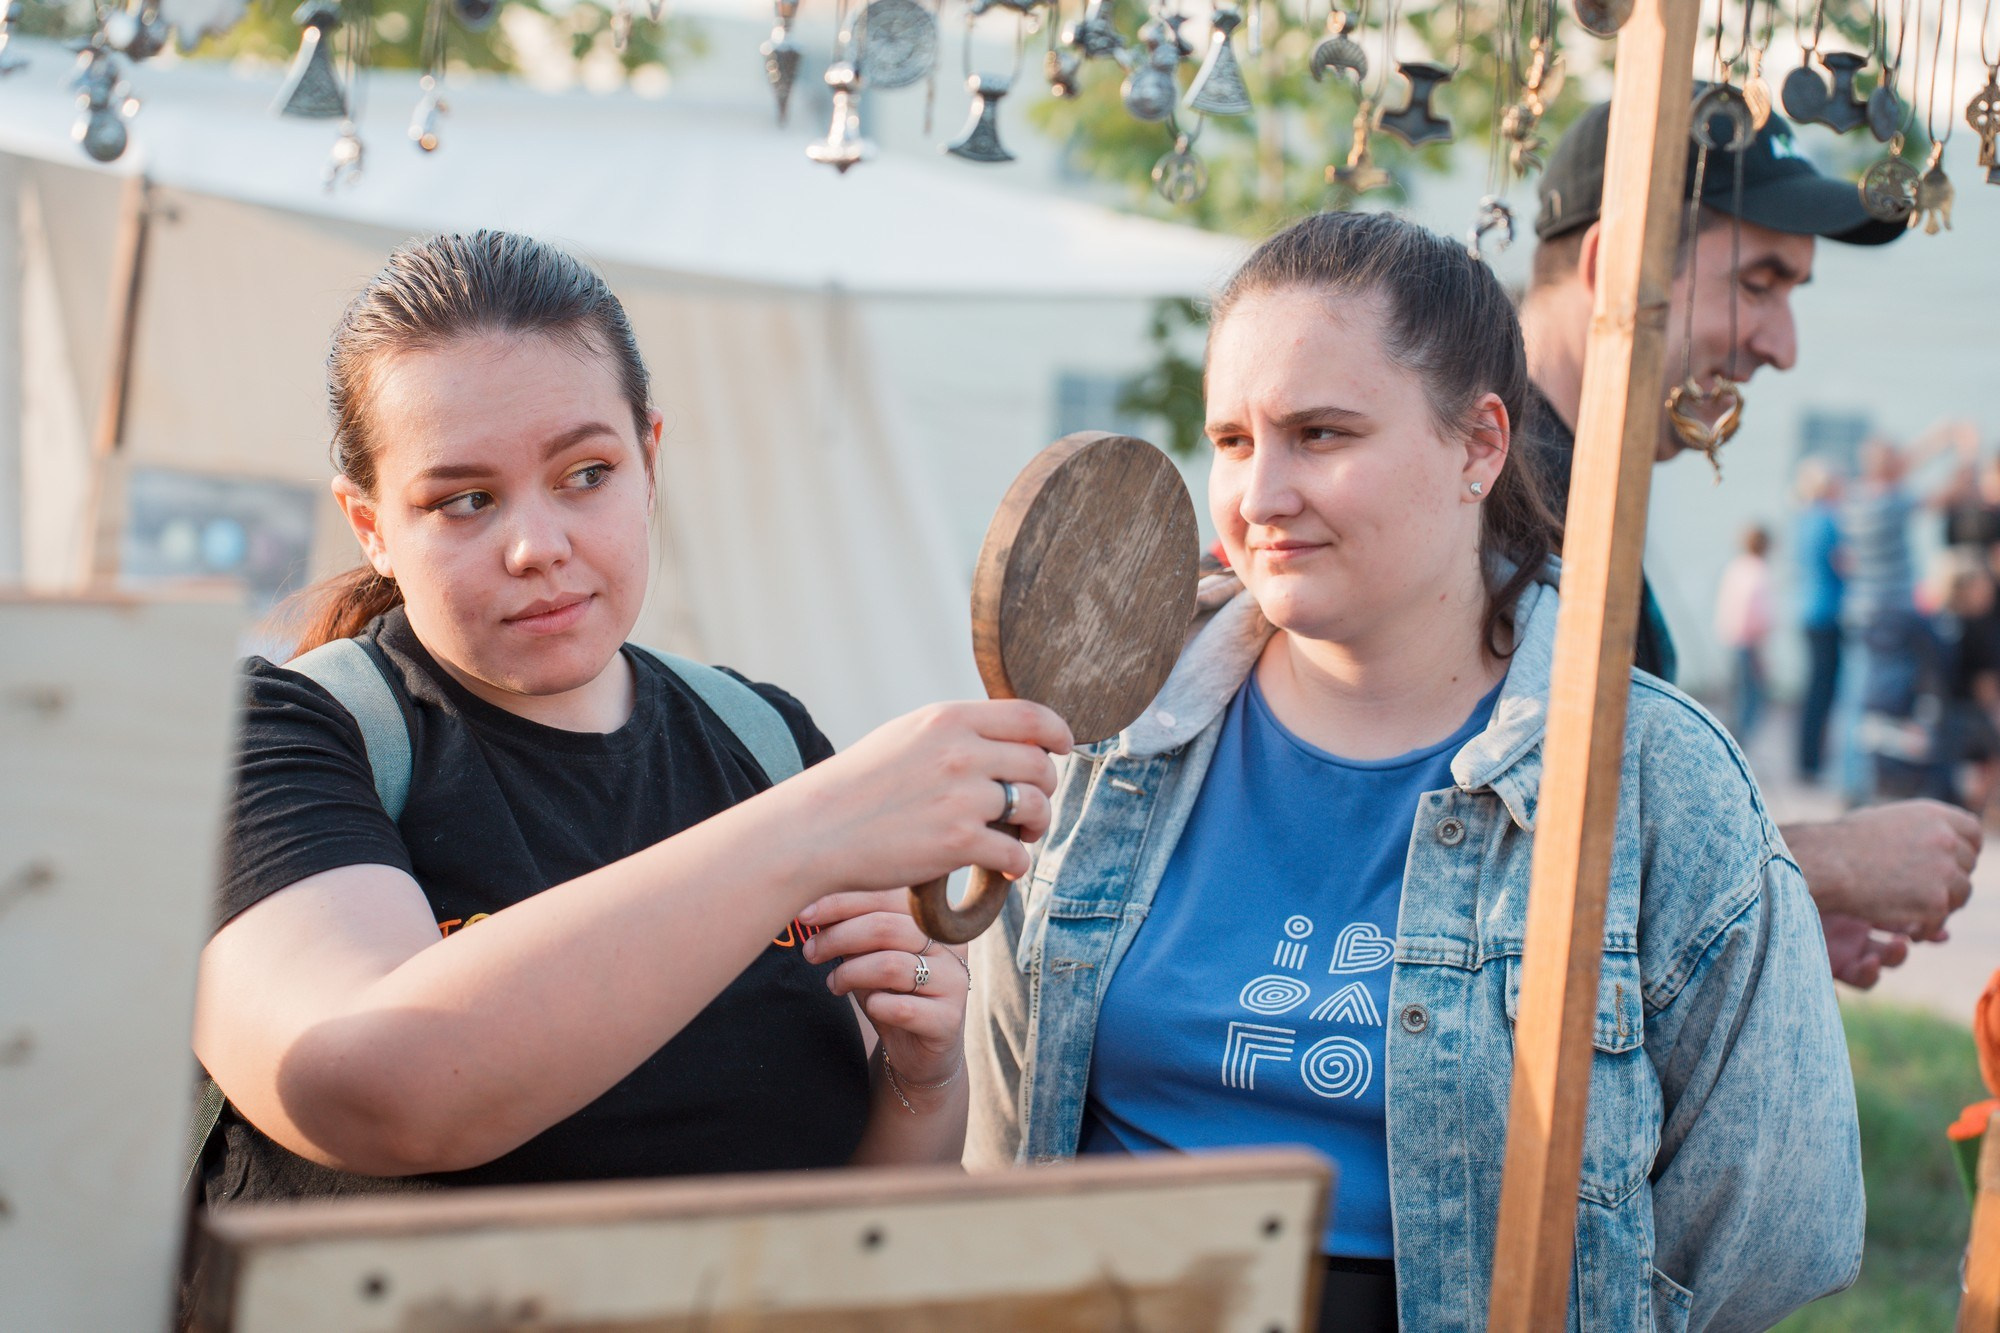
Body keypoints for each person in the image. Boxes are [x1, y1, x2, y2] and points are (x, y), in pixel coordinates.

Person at [967, 213, 1863, 1331]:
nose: (1258, 497)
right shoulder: (1113, 731)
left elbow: (1773, 1225)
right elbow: (1001, 1126)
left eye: (1321, 433)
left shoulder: (1650, 777)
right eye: (1234, 441)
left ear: (1479, 447)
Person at [190, 232, 1071, 1217]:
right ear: (370, 527)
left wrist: (922, 1077)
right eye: (465, 501)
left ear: (648, 461)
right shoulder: (276, 736)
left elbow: (862, 1229)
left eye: (585, 474)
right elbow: (375, 1093)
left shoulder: (764, 740)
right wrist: (812, 831)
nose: (537, 544)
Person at [1518, 100, 1978, 991]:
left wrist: (1764, 904)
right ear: (1617, 268)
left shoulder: (1560, 482)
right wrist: (1809, 860)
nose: (1783, 346)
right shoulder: (1484, 493)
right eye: (1759, 283)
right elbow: (1484, 874)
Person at [1794, 459, 1846, 783]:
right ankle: (1813, 761)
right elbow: (1843, 563)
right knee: (1824, 690)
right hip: (1828, 612)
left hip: (1808, 610)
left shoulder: (1804, 518)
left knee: (1813, 688)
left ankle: (1807, 758)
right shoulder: (1829, 520)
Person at [1714, 524, 1773, 741]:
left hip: (1732, 640)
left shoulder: (1736, 567)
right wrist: (1761, 650)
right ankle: (1741, 745)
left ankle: (1732, 742)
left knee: (1736, 697)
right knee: (1752, 699)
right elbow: (1756, 615)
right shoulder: (1758, 571)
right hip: (1749, 643)